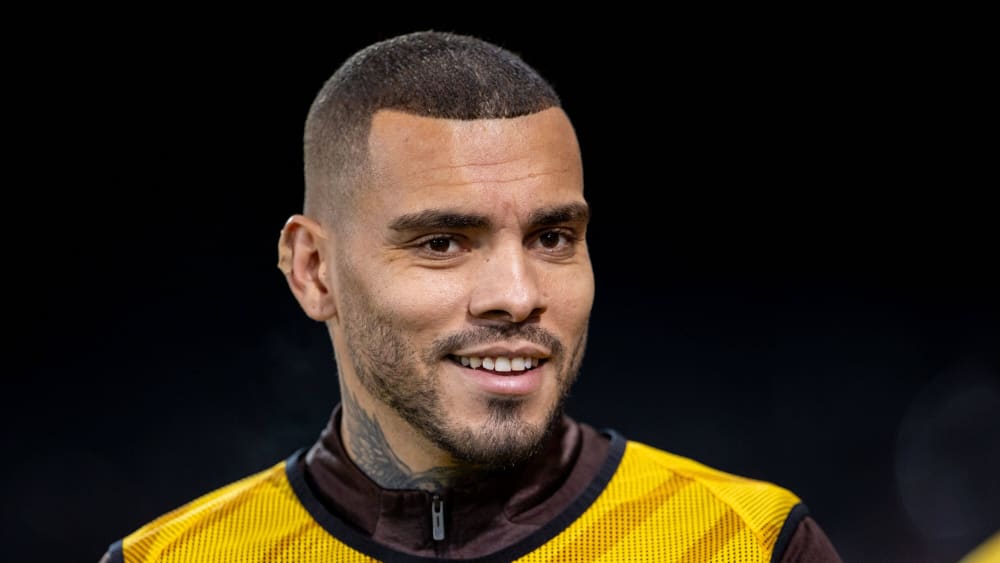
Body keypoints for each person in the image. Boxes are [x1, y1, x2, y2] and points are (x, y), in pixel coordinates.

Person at [101, 30, 842, 562]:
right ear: (314, 271)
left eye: (552, 237)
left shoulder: (748, 541)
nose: (517, 296)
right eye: (442, 243)